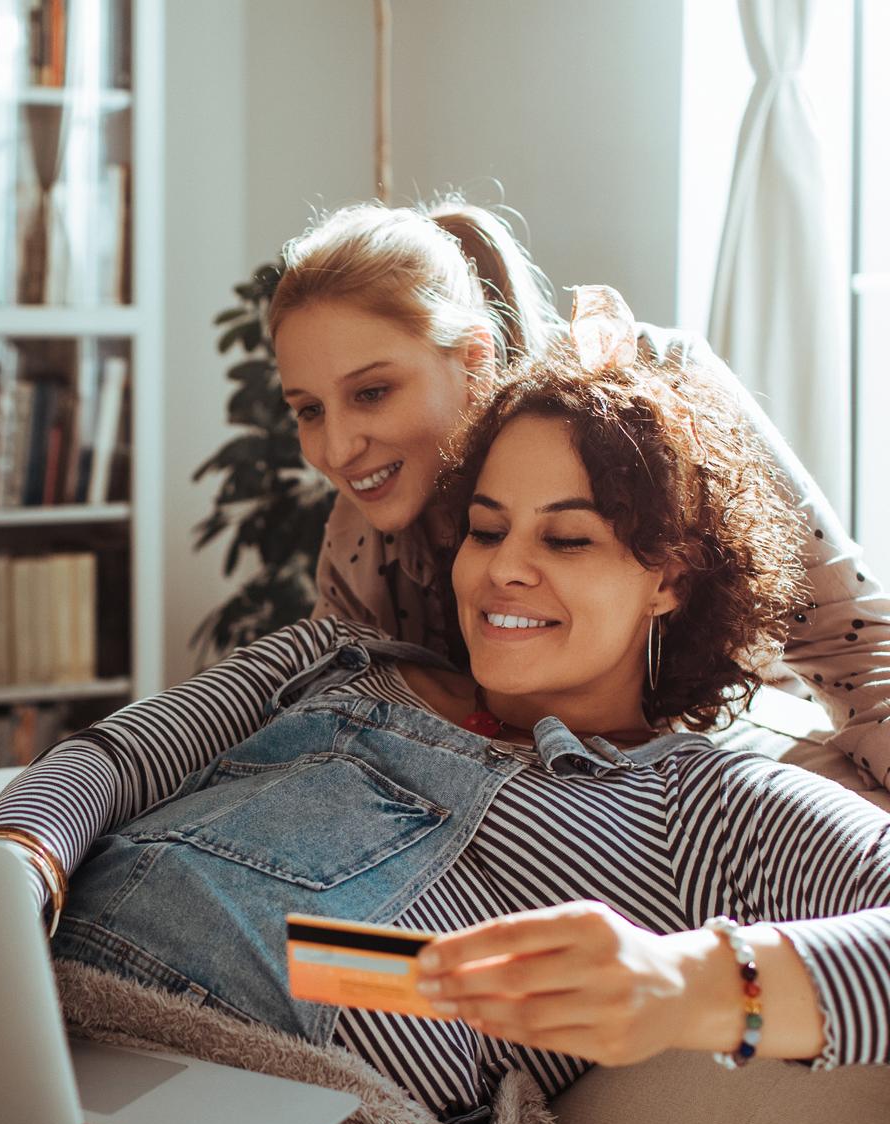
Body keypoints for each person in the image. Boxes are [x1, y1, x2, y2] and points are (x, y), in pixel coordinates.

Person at [0, 315, 889, 1124]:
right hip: (16, 1048)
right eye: (487, 531)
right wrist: (16, 862)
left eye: (567, 540)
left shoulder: (711, 805)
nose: (504, 572)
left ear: (671, 578)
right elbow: (113, 757)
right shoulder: (329, 659)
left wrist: (690, 985)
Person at [267, 199, 890, 792]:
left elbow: (855, 643)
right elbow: (332, 719)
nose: (340, 448)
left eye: (372, 392)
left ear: (474, 361)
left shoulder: (661, 399)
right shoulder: (363, 536)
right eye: (309, 409)